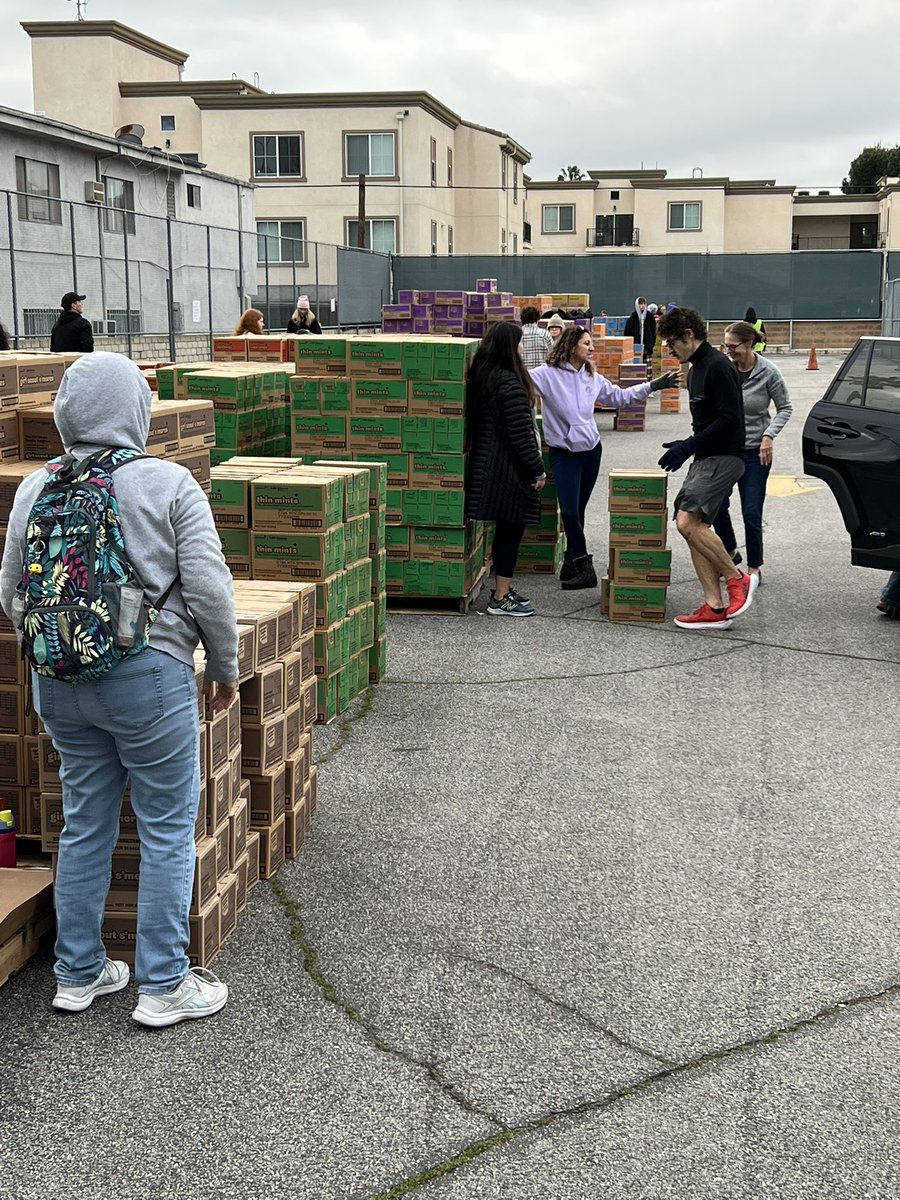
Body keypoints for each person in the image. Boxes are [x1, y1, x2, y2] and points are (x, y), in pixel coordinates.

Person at [0, 352, 238, 1027]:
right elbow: (211, 589)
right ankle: (163, 985)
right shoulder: (168, 482)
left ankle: (78, 974)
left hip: (59, 684)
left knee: (84, 824)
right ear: (135, 410)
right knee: (164, 830)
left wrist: (56, 650)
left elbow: (10, 588)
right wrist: (223, 663)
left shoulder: (35, 487)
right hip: (149, 678)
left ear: (66, 412)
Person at [530, 327, 678, 590]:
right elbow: (518, 383)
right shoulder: (546, 375)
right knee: (570, 511)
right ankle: (585, 568)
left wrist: (654, 385)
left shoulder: (591, 376)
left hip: (591, 451)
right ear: (571, 345)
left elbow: (620, 397)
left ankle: (570, 562)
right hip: (564, 454)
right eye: (586, 343)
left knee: (579, 509)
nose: (591, 347)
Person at [655, 307, 758, 630]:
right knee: (688, 525)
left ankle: (737, 578)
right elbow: (707, 420)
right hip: (706, 456)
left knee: (688, 522)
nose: (669, 350)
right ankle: (714, 607)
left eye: (672, 343)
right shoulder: (695, 369)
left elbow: (729, 420)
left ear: (689, 335)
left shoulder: (716, 367)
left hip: (725, 457)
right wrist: (687, 443)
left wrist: (690, 446)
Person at [465, 322, 546, 617]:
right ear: (510, 347)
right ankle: (500, 597)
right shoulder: (510, 384)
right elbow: (522, 436)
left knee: (505, 531)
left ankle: (502, 590)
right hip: (507, 473)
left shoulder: (485, 378)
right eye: (520, 342)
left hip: (490, 468)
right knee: (511, 531)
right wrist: (537, 471)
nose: (523, 347)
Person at [713, 320, 793, 581]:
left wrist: (768, 436)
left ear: (748, 344)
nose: (728, 351)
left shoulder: (769, 372)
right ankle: (730, 549)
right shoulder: (725, 369)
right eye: (724, 346)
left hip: (755, 454)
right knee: (715, 506)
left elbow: (785, 408)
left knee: (751, 513)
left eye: (732, 346)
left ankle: (754, 567)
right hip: (726, 451)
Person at [623, 296, 657, 364]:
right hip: (636, 346)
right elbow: (627, 333)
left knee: (647, 367)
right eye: (640, 304)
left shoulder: (649, 317)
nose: (642, 306)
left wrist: (651, 344)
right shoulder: (632, 318)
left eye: (644, 304)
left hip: (647, 347)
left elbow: (653, 332)